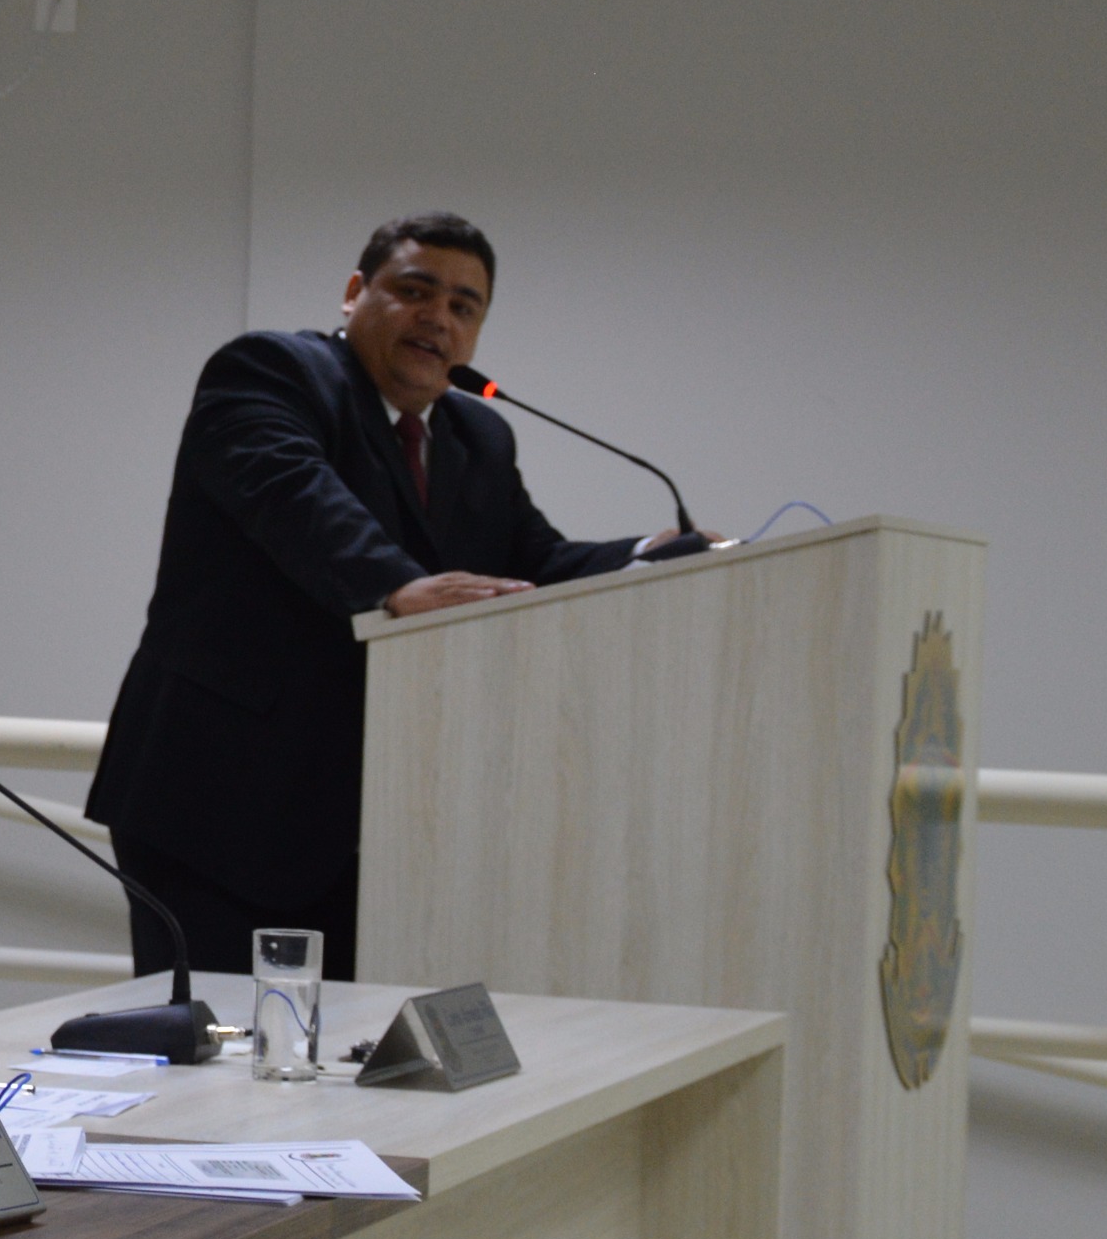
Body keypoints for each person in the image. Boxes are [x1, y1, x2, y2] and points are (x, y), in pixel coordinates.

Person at [85, 213, 693, 984]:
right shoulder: (272, 370)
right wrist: (394, 586)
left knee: (350, 1047)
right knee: (219, 1042)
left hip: (375, 819)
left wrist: (650, 555)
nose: (438, 317)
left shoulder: (477, 435)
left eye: (464, 306)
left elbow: (533, 560)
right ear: (354, 293)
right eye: (415, 290)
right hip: (220, 802)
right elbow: (292, 496)